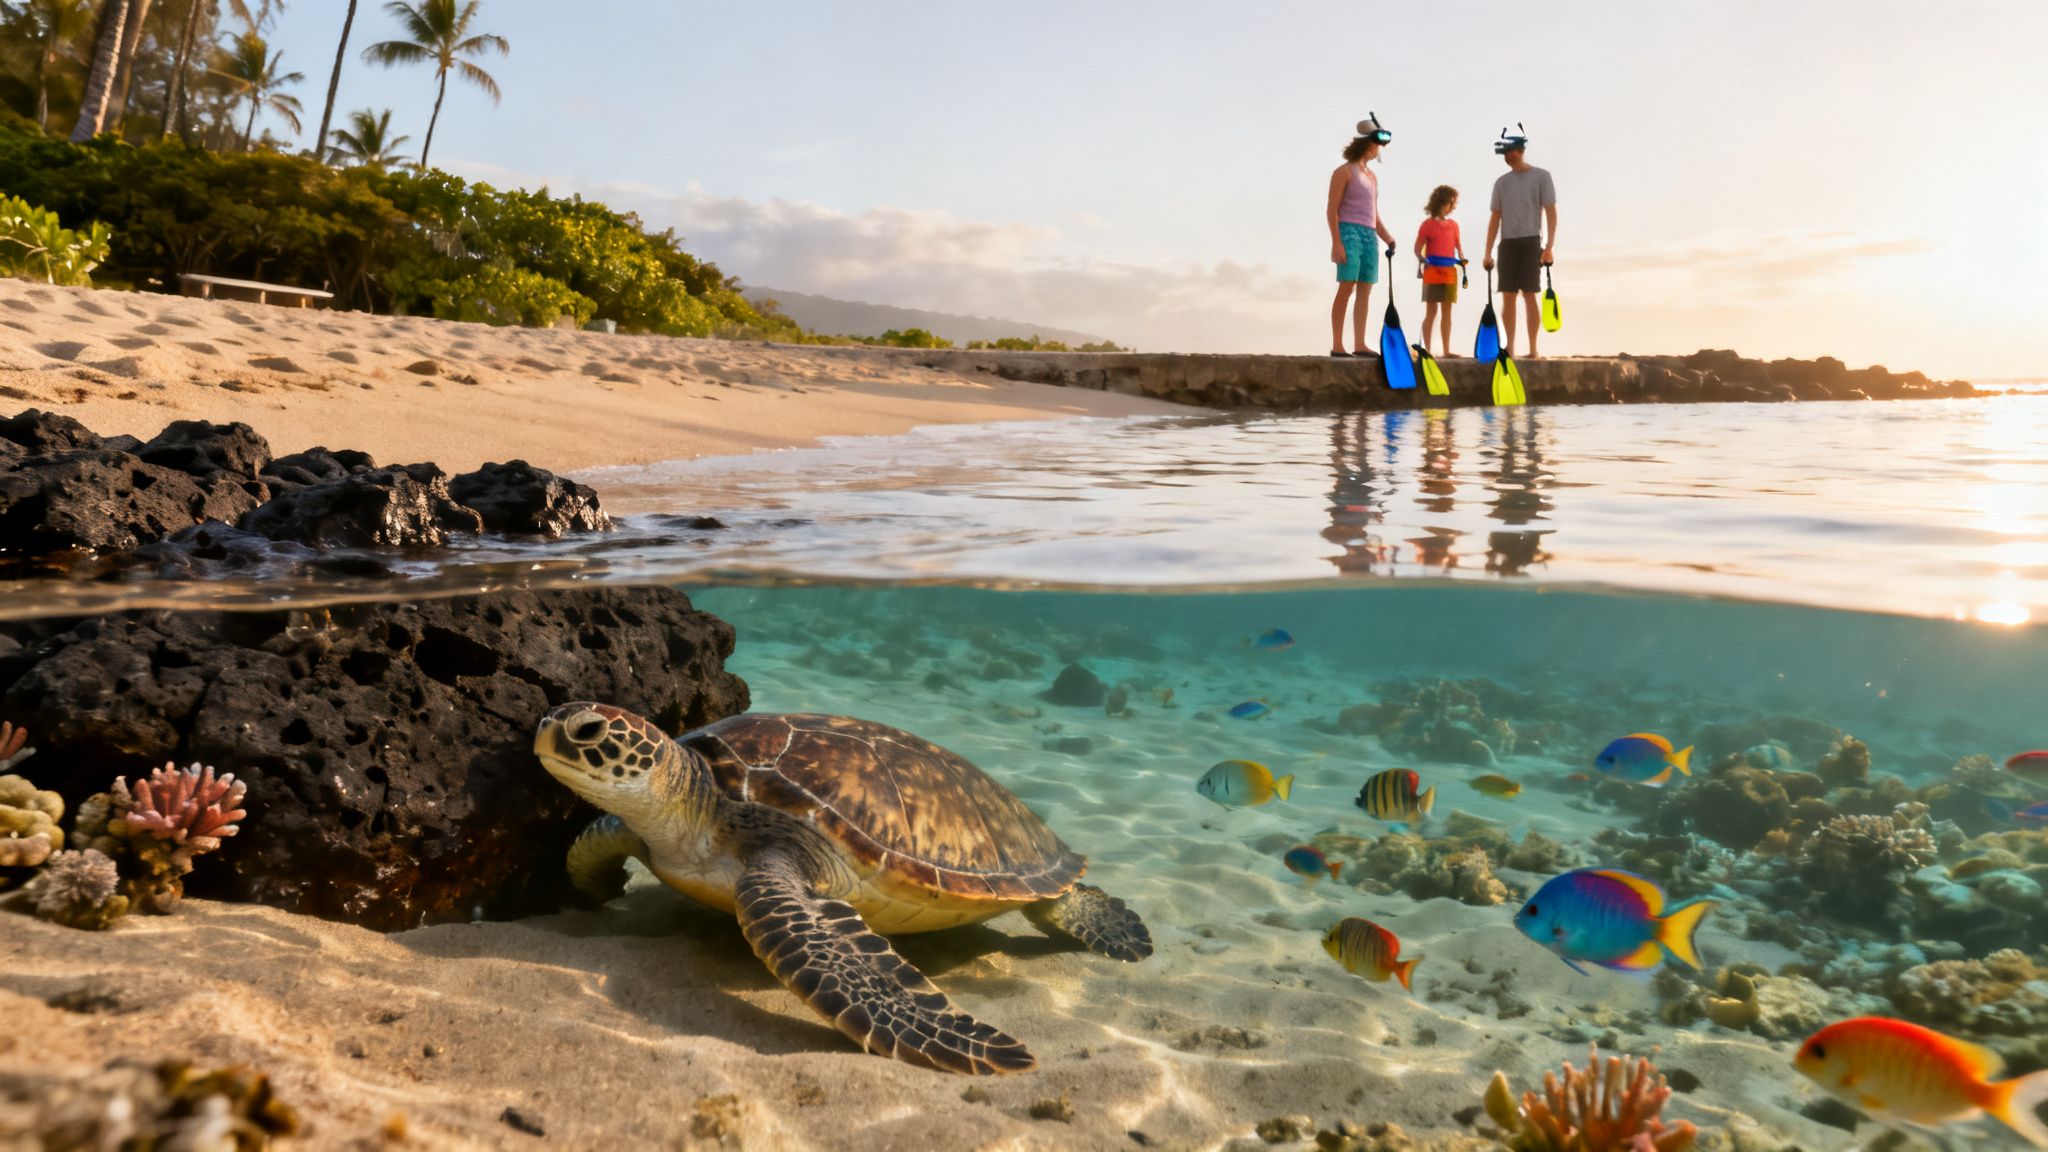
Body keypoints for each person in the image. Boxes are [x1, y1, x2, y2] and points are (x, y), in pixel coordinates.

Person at [1481, 126, 1557, 358]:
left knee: (1530, 294)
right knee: (1508, 296)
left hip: (1531, 241)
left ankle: (1533, 349)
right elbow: (1495, 217)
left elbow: (1551, 212)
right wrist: (1488, 251)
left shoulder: (1541, 176)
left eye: (1509, 151)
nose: (1507, 156)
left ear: (1519, 150)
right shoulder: (1501, 183)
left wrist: (1549, 247)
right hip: (1508, 243)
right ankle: (1509, 348)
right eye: (1504, 153)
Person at [1326, 116, 1399, 357]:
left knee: (1365, 288)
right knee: (1346, 286)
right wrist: (1336, 242)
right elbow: (1332, 210)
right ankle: (1338, 344)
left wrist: (1387, 237)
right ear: (1366, 143)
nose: (1378, 149)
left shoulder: (1372, 177)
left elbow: (1373, 215)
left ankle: (1359, 343)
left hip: (1369, 236)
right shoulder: (1344, 172)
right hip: (1349, 232)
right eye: (1377, 143)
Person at [1413, 184, 1464, 357]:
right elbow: (1417, 248)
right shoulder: (1427, 225)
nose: (1452, 206)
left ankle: (1446, 350)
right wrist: (1421, 260)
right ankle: (1425, 349)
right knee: (1431, 311)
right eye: (1451, 202)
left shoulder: (1454, 225)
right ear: (1442, 202)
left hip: (1449, 272)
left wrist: (1462, 261)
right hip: (1432, 271)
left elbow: (1458, 247)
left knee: (1447, 312)